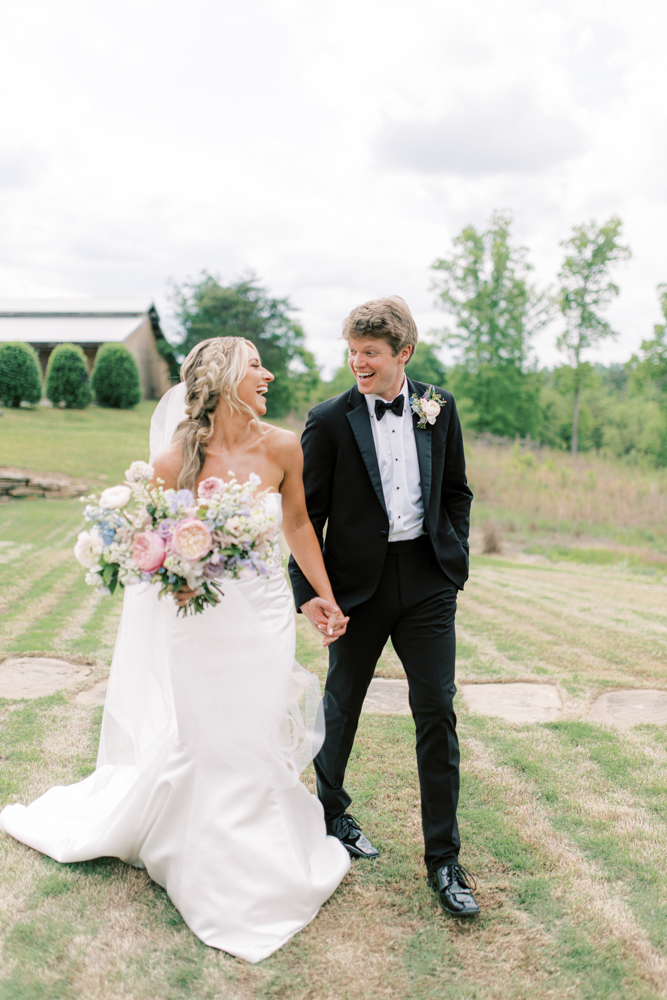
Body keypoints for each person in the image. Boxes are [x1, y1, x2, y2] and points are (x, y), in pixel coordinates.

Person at [0, 336, 351, 963]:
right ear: (223, 381)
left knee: (256, 728)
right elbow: (151, 553)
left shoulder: (282, 446)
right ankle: (208, 857)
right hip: (199, 622)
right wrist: (177, 575)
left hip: (265, 614)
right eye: (255, 367)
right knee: (207, 736)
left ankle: (262, 848)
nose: (268, 374)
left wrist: (322, 595)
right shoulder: (172, 463)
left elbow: (297, 524)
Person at [289, 297, 480, 917]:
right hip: (355, 590)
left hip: (427, 582)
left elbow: (456, 490)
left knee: (437, 710)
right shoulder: (329, 420)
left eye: (370, 353)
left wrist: (454, 559)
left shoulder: (438, 406)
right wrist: (312, 593)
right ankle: (330, 815)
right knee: (342, 703)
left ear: (404, 354)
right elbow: (303, 516)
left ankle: (444, 860)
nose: (357, 363)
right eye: (352, 351)